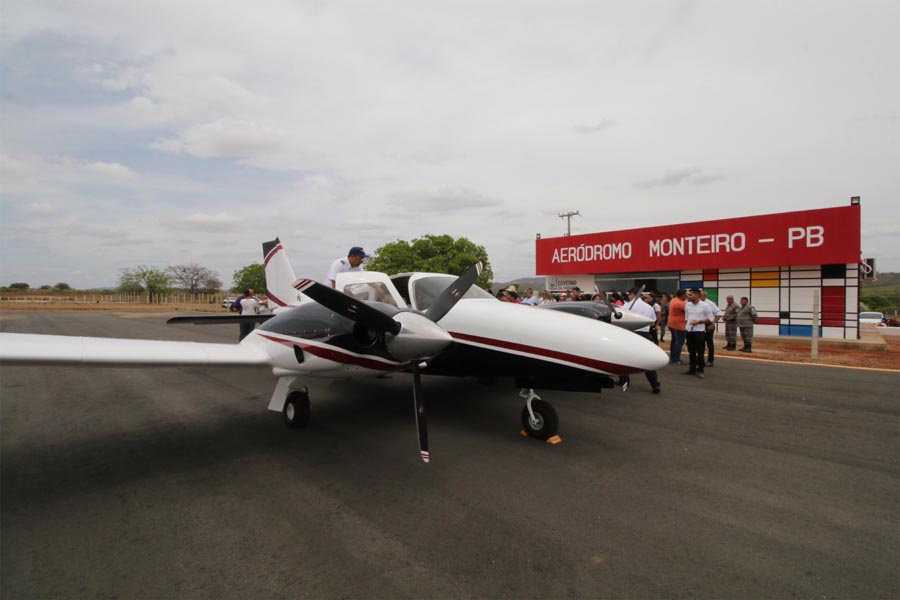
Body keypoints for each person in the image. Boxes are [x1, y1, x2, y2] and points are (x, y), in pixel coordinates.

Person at [617, 288, 661, 393]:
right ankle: (655, 385)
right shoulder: (648, 307)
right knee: (646, 360)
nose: (628, 297)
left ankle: (624, 381)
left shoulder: (626, 306)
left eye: (629, 295)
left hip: (630, 334)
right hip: (645, 334)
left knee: (624, 358)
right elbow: (652, 321)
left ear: (632, 294)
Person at [684, 288, 715, 378]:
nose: (688, 296)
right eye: (688, 295)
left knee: (700, 352)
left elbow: (710, 318)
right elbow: (687, 318)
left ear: (697, 295)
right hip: (689, 330)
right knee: (691, 351)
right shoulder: (688, 305)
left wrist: (699, 322)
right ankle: (692, 369)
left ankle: (700, 370)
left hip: (699, 331)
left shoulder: (705, 306)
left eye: (691, 295)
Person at [700, 290, 724, 367]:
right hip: (700, 325)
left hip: (708, 325)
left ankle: (710, 360)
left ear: (705, 296)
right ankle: (700, 360)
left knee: (709, 343)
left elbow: (719, 313)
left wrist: (713, 323)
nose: (700, 297)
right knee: (700, 343)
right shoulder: (697, 304)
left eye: (701, 296)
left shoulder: (710, 303)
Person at [667, 289, 687, 365]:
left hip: (671, 323)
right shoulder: (680, 303)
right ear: (682, 295)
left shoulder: (673, 300)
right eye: (686, 294)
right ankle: (676, 359)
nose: (687, 296)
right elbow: (689, 311)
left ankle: (673, 358)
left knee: (674, 341)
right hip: (679, 325)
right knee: (679, 342)